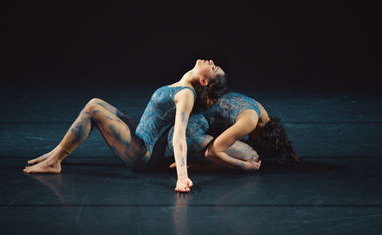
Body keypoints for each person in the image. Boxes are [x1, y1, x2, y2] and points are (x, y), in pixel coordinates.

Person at [23, 59, 228, 192]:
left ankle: (54, 162)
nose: (211, 62)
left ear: (203, 81)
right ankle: (55, 154)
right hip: (139, 135)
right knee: (96, 102)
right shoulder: (183, 86)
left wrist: (182, 178)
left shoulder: (186, 94)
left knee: (93, 108)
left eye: (213, 68)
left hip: (142, 153)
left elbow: (179, 135)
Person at [166, 91, 302, 171]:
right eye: (253, 139)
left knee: (230, 141)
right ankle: (195, 165)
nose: (248, 138)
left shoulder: (260, 111)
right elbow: (212, 152)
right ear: (261, 137)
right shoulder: (249, 122)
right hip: (182, 138)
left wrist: (289, 153)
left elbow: (277, 135)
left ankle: (190, 159)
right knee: (252, 155)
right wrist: (245, 166)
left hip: (178, 129)